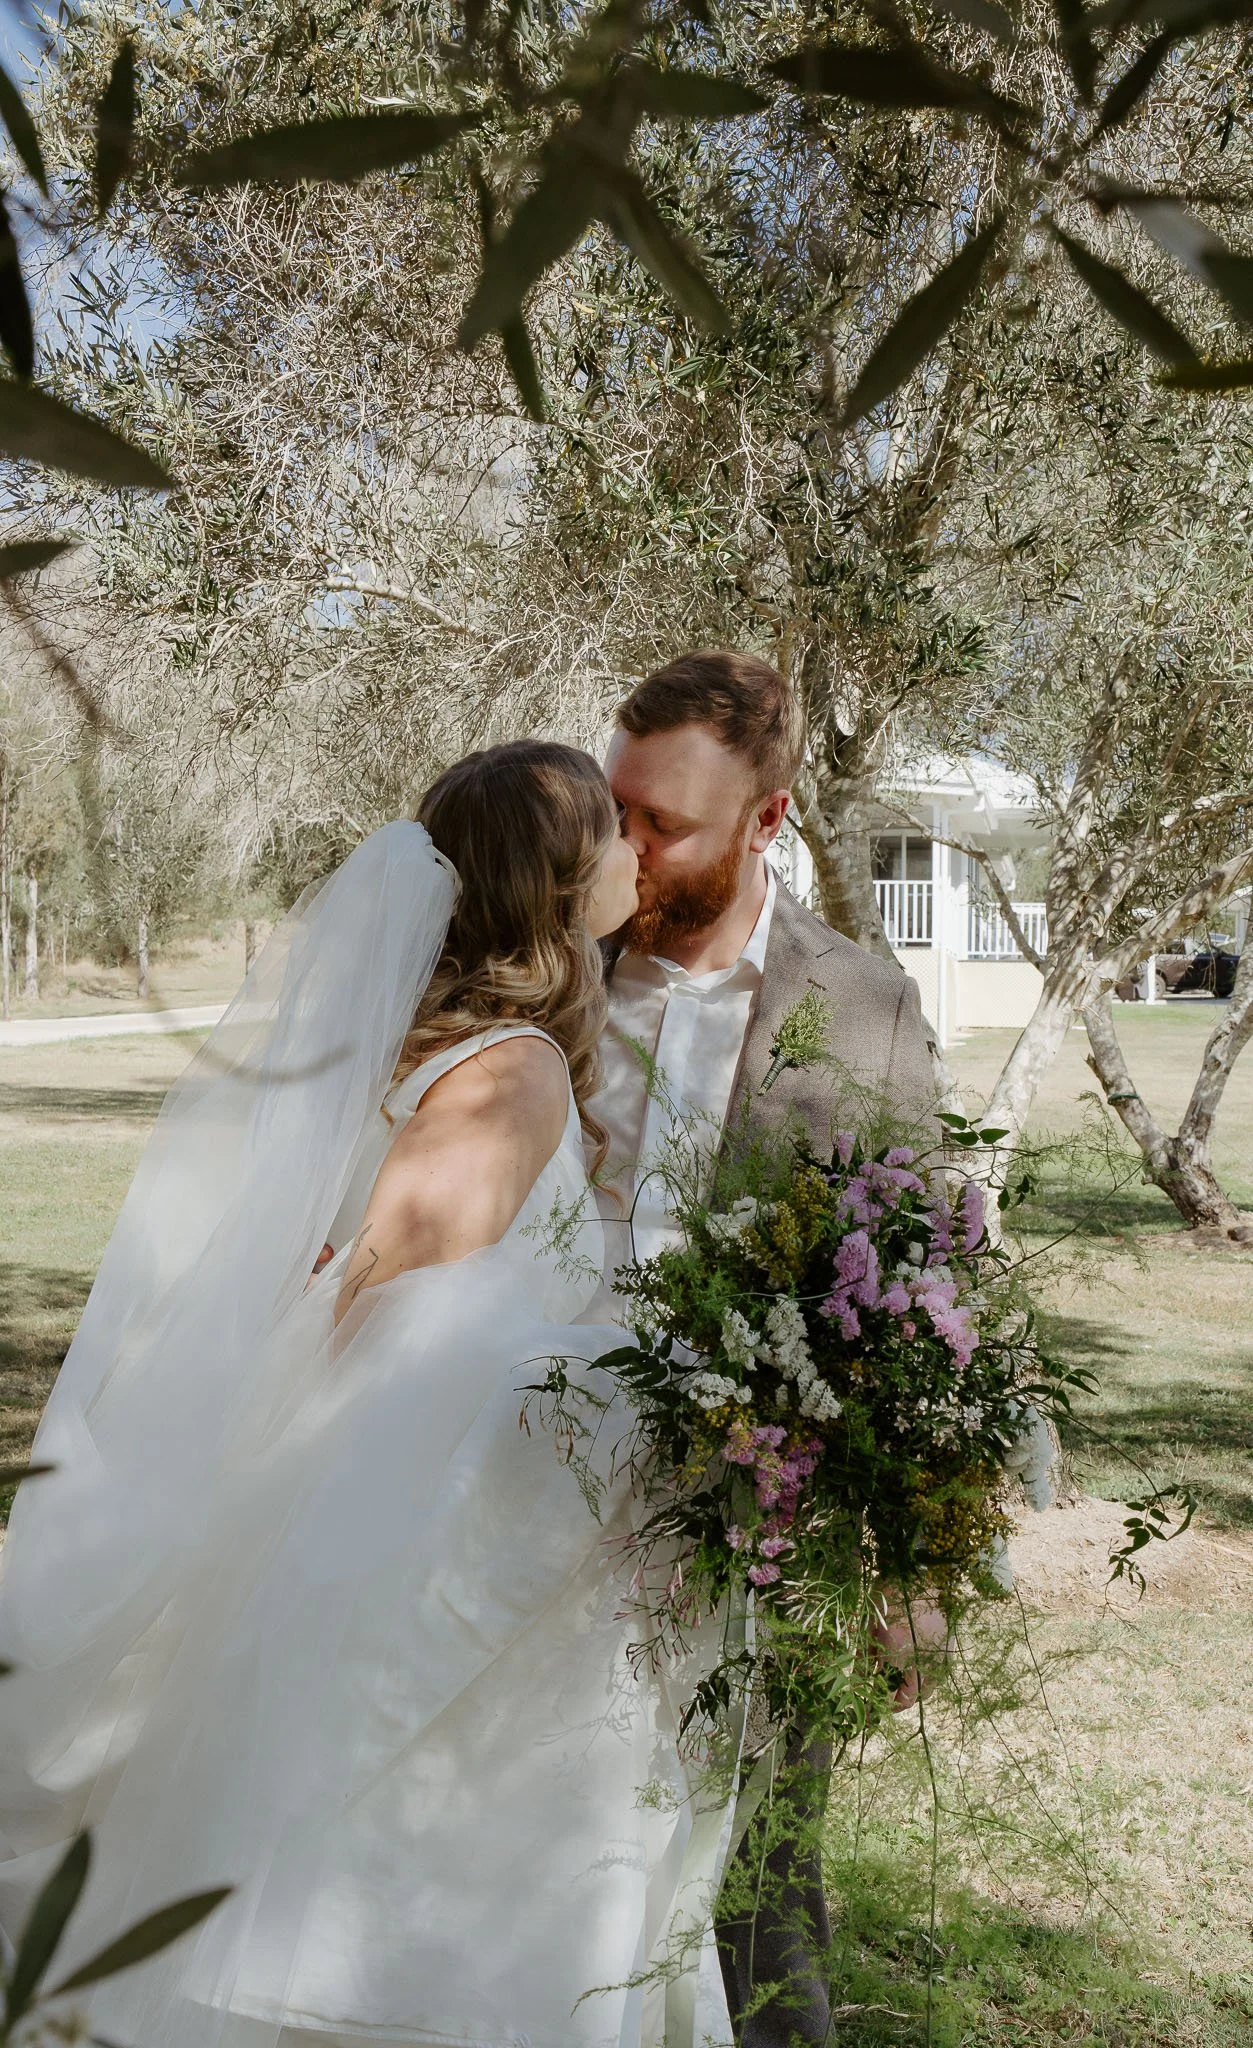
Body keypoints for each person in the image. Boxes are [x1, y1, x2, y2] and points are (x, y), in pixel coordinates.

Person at [0, 742, 734, 2048]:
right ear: (557, 881)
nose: (638, 851)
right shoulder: (507, 1071)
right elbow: (395, 1320)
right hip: (445, 1564)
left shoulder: (449, 1042)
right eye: (613, 832)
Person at [592, 650, 941, 2047]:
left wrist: (907, 1574)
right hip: (538, 1488)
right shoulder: (550, 975)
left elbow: (917, 1291)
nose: (624, 846)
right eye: (614, 806)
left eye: (661, 821)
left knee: (759, 1874)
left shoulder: (864, 1004)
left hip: (761, 1515)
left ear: (768, 818)